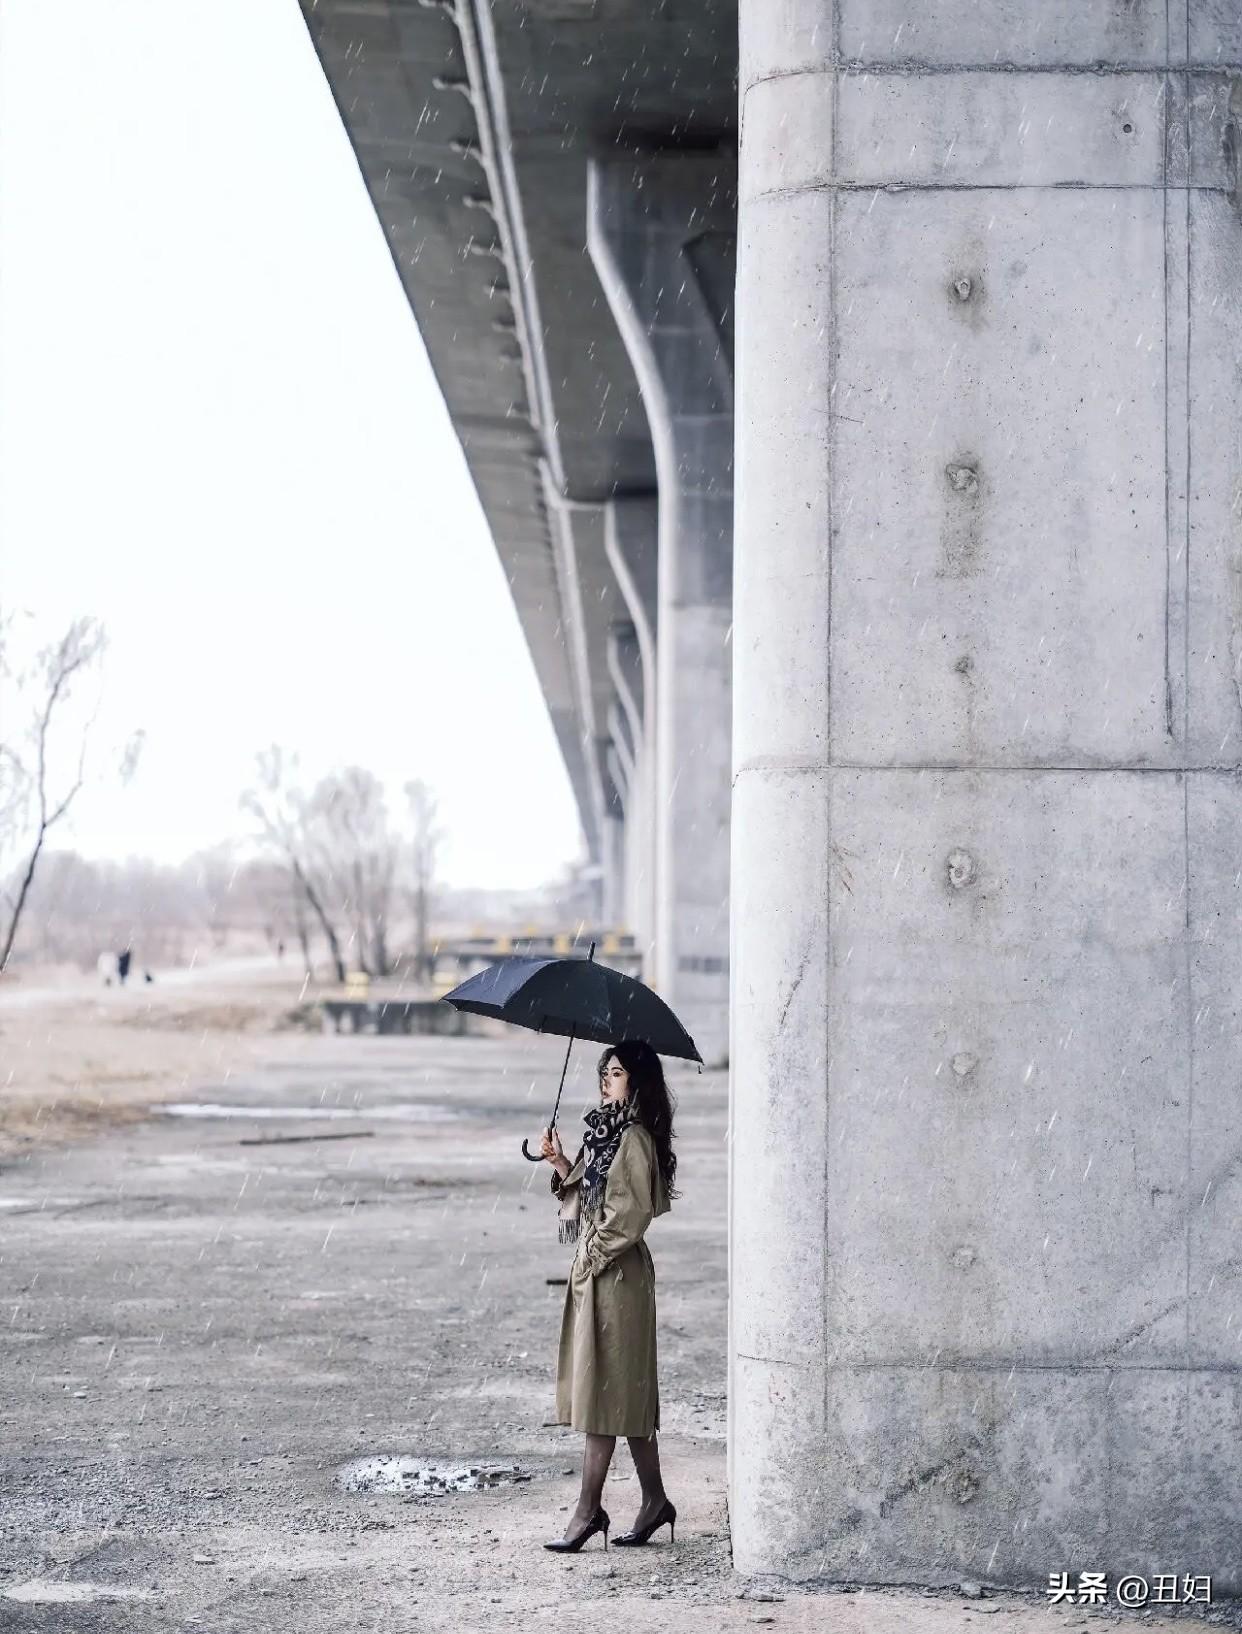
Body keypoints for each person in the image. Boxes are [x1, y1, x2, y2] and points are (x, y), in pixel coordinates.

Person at [538, 1039, 679, 1552]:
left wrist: (592, 1257)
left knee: (607, 1390)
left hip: (617, 1277)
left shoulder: (634, 1138)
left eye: (616, 1072)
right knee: (624, 1390)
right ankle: (654, 1502)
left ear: (636, 1082)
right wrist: (560, 1163)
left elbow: (629, 1215)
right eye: (604, 1071)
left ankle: (587, 1510)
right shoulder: (604, 1135)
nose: (606, 1079)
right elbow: (590, 1196)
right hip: (598, 1272)